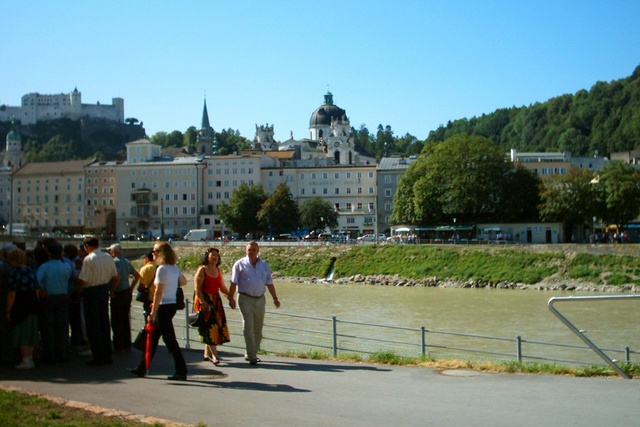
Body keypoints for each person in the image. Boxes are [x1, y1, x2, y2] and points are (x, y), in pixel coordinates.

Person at [128, 241, 188, 380]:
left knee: (170, 341)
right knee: (154, 338)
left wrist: (152, 313)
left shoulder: (161, 269)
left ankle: (181, 370)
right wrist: (172, 283)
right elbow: (184, 281)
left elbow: (158, 293)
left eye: (155, 251)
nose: (153, 253)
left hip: (163, 306)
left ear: (161, 253)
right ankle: (141, 368)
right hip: (172, 304)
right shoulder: (173, 267)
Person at [228, 241, 280, 365]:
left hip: (260, 299)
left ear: (258, 251)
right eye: (249, 250)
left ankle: (252, 352)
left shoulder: (264, 265)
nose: (251, 252)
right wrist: (231, 298)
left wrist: (275, 298)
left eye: (253, 250)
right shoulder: (239, 264)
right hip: (245, 298)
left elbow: (269, 283)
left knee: (258, 328)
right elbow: (233, 282)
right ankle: (252, 356)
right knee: (248, 325)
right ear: (246, 251)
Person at [77, 235, 118, 366]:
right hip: (103, 290)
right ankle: (107, 355)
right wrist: (111, 290)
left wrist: (76, 286)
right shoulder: (108, 257)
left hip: (91, 291)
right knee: (104, 323)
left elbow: (84, 280)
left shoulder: (89, 259)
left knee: (93, 325)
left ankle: (97, 357)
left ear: (86, 247)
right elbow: (116, 277)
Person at [36, 241, 72, 363]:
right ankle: (63, 353)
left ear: (49, 254)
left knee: (48, 326)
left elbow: (36, 281)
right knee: (62, 326)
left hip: (48, 297)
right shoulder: (67, 266)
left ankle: (50, 354)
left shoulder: (44, 267)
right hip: (63, 296)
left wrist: (42, 290)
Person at [193, 247, 230, 365]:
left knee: (214, 326)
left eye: (216, 255)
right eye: (212, 255)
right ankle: (215, 355)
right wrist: (203, 302)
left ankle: (206, 353)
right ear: (207, 256)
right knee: (209, 327)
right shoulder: (202, 270)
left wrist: (230, 296)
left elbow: (222, 287)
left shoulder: (218, 271)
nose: (214, 257)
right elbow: (197, 288)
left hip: (216, 300)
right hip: (205, 300)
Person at [5, 248, 40, 369]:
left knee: (22, 332)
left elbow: (12, 293)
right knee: (31, 331)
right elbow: (37, 289)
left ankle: (25, 360)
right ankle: (29, 358)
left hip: (20, 303)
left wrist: (8, 310)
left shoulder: (13, 272)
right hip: (32, 302)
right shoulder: (30, 270)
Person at [108, 243, 141, 355]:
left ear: (114, 252)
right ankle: (127, 346)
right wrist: (131, 288)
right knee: (125, 319)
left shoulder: (114, 262)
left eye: (110, 251)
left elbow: (117, 278)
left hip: (118, 293)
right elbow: (137, 275)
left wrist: (111, 290)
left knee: (117, 321)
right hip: (127, 292)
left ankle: (119, 347)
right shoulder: (126, 261)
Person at [136, 251, 157, 318]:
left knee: (148, 321)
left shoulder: (145, 269)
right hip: (159, 300)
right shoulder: (159, 267)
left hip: (149, 299)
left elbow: (142, 285)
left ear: (147, 258)